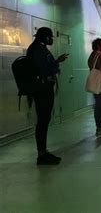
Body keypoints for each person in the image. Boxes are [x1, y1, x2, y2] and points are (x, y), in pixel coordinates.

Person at [27, 27, 68, 165]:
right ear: (45, 37)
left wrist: (56, 62)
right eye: (50, 37)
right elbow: (44, 68)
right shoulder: (37, 50)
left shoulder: (39, 48)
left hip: (43, 88)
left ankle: (43, 152)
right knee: (42, 121)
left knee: (44, 120)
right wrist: (56, 64)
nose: (52, 39)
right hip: (42, 89)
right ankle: (42, 154)